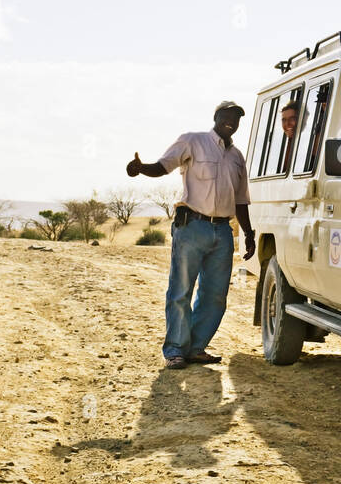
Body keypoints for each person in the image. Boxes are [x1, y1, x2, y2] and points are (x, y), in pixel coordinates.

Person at [127, 101, 256, 370]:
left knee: (215, 295)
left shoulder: (237, 157)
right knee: (181, 290)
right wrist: (141, 168)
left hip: (223, 231)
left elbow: (241, 200)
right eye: (226, 115)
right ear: (216, 117)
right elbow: (164, 166)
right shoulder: (192, 141)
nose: (231, 120)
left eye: (236, 117)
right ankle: (175, 349)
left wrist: (248, 234)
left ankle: (196, 348)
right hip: (192, 226)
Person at [279, 100, 299, 171]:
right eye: (284, 120)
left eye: (292, 119)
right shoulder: (280, 146)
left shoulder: (306, 144)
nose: (287, 124)